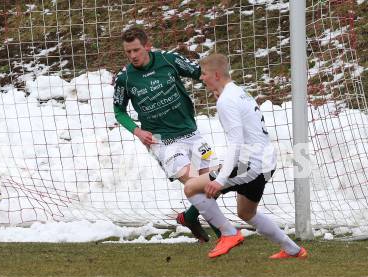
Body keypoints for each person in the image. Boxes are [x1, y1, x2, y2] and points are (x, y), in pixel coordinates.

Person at [184, 53, 308, 259]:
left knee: (191, 188)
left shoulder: (227, 100)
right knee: (246, 213)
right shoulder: (238, 92)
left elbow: (236, 142)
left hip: (251, 163)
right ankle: (293, 250)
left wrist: (221, 179)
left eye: (204, 74)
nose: (202, 78)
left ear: (215, 74)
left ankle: (229, 234)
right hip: (265, 161)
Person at [113, 26, 222, 242]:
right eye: (128, 52)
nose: (132, 56)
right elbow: (118, 111)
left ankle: (189, 217)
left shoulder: (169, 60)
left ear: (147, 46)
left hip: (191, 133)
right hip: (161, 141)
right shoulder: (125, 78)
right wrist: (137, 130)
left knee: (215, 183)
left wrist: (219, 89)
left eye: (136, 50)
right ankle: (225, 234)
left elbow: (199, 72)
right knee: (197, 186)